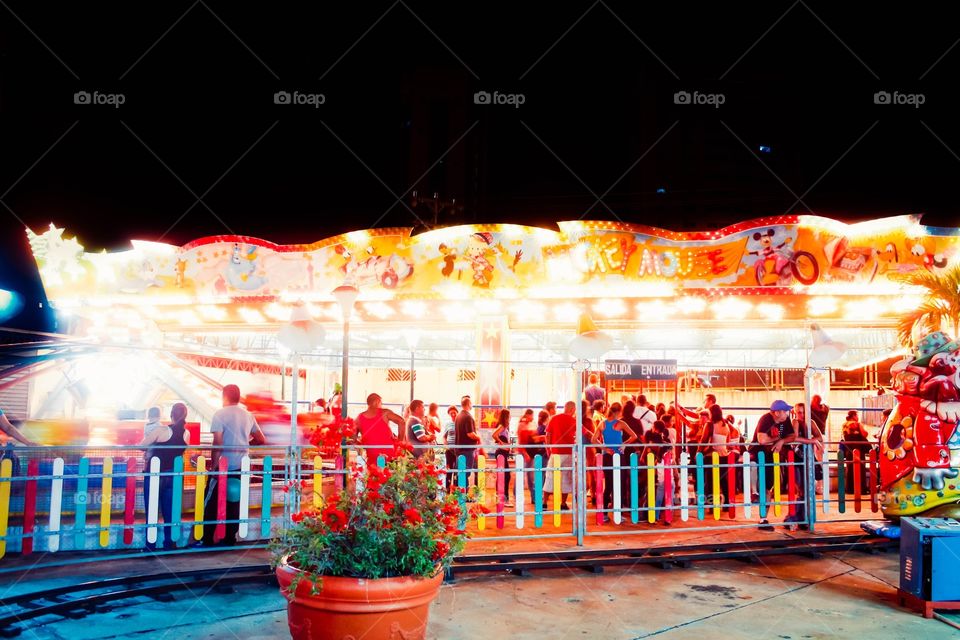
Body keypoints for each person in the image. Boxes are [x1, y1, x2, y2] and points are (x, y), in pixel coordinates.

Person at [203, 385, 265, 546]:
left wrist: (213, 467)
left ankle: (207, 538)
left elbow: (218, 443)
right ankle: (230, 538)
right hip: (241, 466)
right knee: (235, 502)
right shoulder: (247, 415)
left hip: (223, 465)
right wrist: (244, 445)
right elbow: (261, 439)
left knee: (210, 501)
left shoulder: (219, 414)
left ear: (224, 396)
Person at [140, 403, 189, 550]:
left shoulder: (161, 430)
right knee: (170, 512)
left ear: (171, 415)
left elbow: (142, 445)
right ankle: (170, 544)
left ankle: (150, 545)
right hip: (173, 476)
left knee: (152, 511)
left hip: (156, 475)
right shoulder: (186, 434)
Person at [592, 403, 639, 522]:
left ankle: (604, 514)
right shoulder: (620, 423)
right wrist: (624, 444)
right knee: (621, 484)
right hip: (619, 455)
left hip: (607, 456)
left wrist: (604, 448)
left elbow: (594, 439)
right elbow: (634, 436)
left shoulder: (603, 423)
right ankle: (618, 512)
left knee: (608, 484)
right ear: (619, 412)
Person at [545, 401, 577, 510]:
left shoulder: (554, 418)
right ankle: (563, 503)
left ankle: (544, 503)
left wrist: (549, 448)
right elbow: (584, 433)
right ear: (572, 409)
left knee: (550, 477)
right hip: (568, 453)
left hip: (555, 452)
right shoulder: (574, 421)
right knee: (566, 479)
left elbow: (548, 434)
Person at [355, 393, 405, 462]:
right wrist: (400, 443)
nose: (381, 405)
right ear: (377, 402)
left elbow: (353, 438)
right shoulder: (385, 413)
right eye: (381, 403)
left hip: (372, 456)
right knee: (387, 471)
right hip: (388, 455)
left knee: (376, 472)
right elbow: (402, 422)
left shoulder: (358, 418)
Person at [519, 410, 548, 507]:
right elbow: (522, 442)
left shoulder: (532, 425)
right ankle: (531, 497)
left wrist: (543, 437)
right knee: (528, 476)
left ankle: (534, 497)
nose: (533, 417)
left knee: (531, 477)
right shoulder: (523, 426)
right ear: (528, 415)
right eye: (532, 415)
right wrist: (525, 453)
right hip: (526, 453)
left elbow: (535, 438)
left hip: (530, 453)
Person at [454, 396, 481, 487]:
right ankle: (463, 495)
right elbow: (470, 434)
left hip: (459, 449)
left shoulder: (458, 416)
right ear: (469, 404)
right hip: (467, 450)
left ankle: (461, 494)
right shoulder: (468, 417)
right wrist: (478, 437)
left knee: (461, 472)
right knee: (465, 472)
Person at [841, 410, 870, 491]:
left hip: (849, 449)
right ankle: (861, 488)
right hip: (858, 448)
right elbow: (865, 434)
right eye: (857, 415)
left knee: (850, 468)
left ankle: (850, 488)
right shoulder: (857, 424)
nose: (858, 417)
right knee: (860, 468)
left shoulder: (844, 425)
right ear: (853, 416)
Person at [492, 409, 514, 506]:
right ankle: (504, 499)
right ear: (506, 416)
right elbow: (494, 435)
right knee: (505, 476)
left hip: (503, 453)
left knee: (503, 475)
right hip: (501, 453)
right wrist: (501, 443)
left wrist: (507, 446)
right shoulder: (502, 426)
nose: (510, 417)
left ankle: (500, 497)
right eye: (509, 416)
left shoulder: (505, 428)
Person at [442, 405, 459, 490]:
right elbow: (444, 436)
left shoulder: (460, 423)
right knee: (449, 469)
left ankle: (456, 489)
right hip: (449, 450)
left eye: (454, 413)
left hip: (458, 450)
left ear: (457, 413)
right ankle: (448, 489)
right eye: (451, 413)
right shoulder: (448, 424)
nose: (453, 414)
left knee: (457, 470)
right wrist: (445, 444)